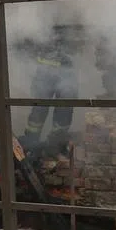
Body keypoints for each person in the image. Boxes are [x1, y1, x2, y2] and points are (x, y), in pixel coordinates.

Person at [23, 25, 79, 155]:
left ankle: (55, 145)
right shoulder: (45, 22)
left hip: (66, 74)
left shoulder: (70, 26)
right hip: (44, 74)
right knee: (39, 111)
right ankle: (31, 144)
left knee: (63, 111)